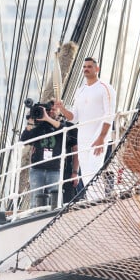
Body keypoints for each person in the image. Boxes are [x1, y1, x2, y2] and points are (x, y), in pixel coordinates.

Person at [55, 57, 117, 194]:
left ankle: (97, 200)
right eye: (84, 67)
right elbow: (74, 118)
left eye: (89, 66)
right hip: (83, 138)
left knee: (95, 169)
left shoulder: (106, 88)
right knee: (86, 175)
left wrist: (101, 137)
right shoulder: (80, 91)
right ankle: (92, 201)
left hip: (98, 137)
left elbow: (109, 114)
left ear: (97, 69)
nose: (86, 69)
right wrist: (62, 109)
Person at [20, 103, 78, 207]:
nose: (51, 112)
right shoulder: (40, 127)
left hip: (54, 170)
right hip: (37, 169)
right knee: (35, 199)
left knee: (56, 200)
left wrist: (47, 118)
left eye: (53, 110)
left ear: (59, 111)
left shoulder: (62, 126)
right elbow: (24, 139)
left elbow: (64, 131)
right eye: (48, 110)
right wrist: (30, 122)